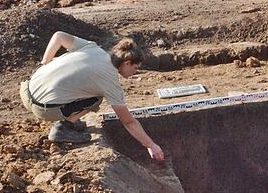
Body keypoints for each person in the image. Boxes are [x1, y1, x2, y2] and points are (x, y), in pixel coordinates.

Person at [19, 32, 164, 161]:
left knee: (84, 86)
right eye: (135, 68)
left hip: (27, 89)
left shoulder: (93, 48)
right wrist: (151, 145)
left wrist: (46, 62)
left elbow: (58, 36)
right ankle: (64, 127)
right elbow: (128, 122)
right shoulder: (110, 81)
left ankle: (70, 118)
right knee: (96, 98)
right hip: (41, 108)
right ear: (127, 63)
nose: (135, 72)